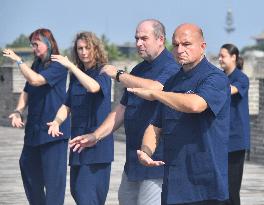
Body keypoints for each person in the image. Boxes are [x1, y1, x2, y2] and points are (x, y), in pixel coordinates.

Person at [70, 19, 180, 205]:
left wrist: (119, 75)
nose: (138, 43)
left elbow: (155, 89)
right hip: (133, 161)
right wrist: (95, 136)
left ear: (160, 39)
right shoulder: (138, 69)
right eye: (136, 38)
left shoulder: (171, 66)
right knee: (125, 199)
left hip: (157, 161)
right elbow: (121, 110)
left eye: (144, 38)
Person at [129, 23, 231, 205]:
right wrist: (146, 151)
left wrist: (155, 93)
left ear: (202, 46)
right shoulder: (172, 82)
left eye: (186, 44)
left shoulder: (215, 78)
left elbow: (196, 105)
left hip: (205, 186)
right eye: (176, 45)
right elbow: (156, 125)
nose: (180, 49)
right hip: (174, 183)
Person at [2, 28, 70, 205]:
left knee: (53, 182)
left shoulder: (59, 64)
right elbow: (27, 91)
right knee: (28, 169)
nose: (34, 48)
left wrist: (19, 61)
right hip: (34, 130)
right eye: (32, 45)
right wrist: (18, 111)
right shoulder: (36, 64)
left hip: (53, 132)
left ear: (48, 43)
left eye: (36, 44)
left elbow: (37, 80)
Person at [47, 31, 112, 205]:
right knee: (77, 192)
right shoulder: (75, 75)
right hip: (77, 144)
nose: (83, 52)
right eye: (80, 49)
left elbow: (93, 87)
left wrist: (71, 67)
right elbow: (67, 104)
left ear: (95, 49)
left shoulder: (103, 71)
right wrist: (56, 121)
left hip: (97, 148)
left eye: (87, 48)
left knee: (87, 197)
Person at [218, 44, 250, 205]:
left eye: (223, 56)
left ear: (233, 57)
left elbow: (230, 90)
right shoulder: (220, 77)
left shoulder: (241, 78)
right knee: (219, 188)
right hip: (220, 140)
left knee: (231, 189)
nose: (219, 59)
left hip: (236, 141)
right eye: (219, 55)